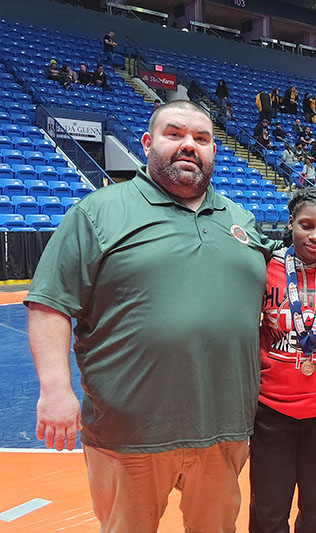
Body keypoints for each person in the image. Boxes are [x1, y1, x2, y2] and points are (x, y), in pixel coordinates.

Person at [24, 100, 275, 532]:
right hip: (131, 430)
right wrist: (54, 390)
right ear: (147, 143)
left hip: (224, 426)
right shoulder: (98, 212)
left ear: (214, 150)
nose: (188, 146)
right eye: (174, 134)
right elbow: (51, 303)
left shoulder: (241, 221)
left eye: (201, 139)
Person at [250, 187, 316, 533]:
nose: (315, 236)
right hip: (271, 410)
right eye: (306, 225)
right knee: (268, 511)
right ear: (290, 223)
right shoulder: (264, 269)